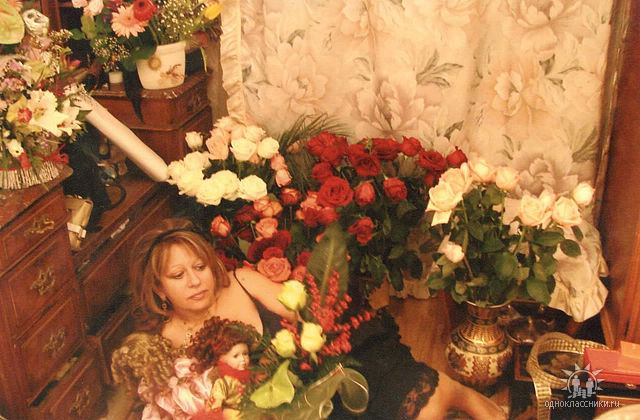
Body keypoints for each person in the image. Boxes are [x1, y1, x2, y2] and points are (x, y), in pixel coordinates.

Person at [111, 218, 507, 420]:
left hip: (316, 367)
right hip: (280, 410)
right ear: (158, 288)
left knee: (419, 403)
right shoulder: (167, 338)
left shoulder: (241, 281)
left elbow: (307, 313)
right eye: (178, 276)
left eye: (199, 267)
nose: (195, 281)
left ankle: (458, 392)